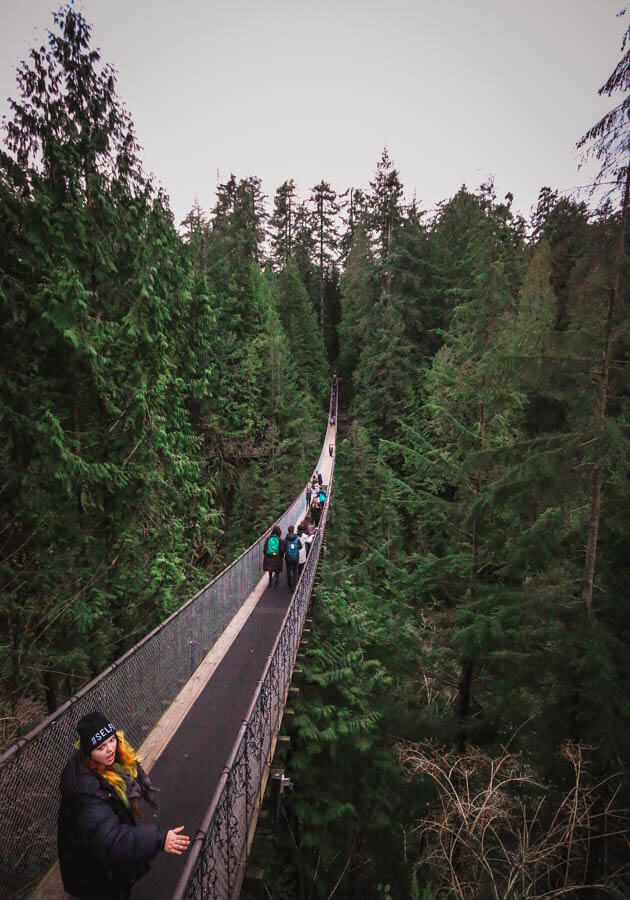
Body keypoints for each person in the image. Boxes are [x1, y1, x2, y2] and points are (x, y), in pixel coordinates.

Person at [57, 710, 190, 900]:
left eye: (111, 740)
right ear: (89, 752)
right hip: (93, 869)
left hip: (99, 860)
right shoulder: (86, 792)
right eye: (101, 747)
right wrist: (158, 839)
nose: (110, 749)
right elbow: (109, 839)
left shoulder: (107, 761)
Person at [284, 525, 302, 591]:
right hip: (296, 557)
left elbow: (283, 548)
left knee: (288, 569)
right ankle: (294, 586)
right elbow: (300, 546)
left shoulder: (286, 539)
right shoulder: (296, 538)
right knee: (295, 571)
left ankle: (289, 583)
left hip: (288, 557)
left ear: (288, 531)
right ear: (293, 530)